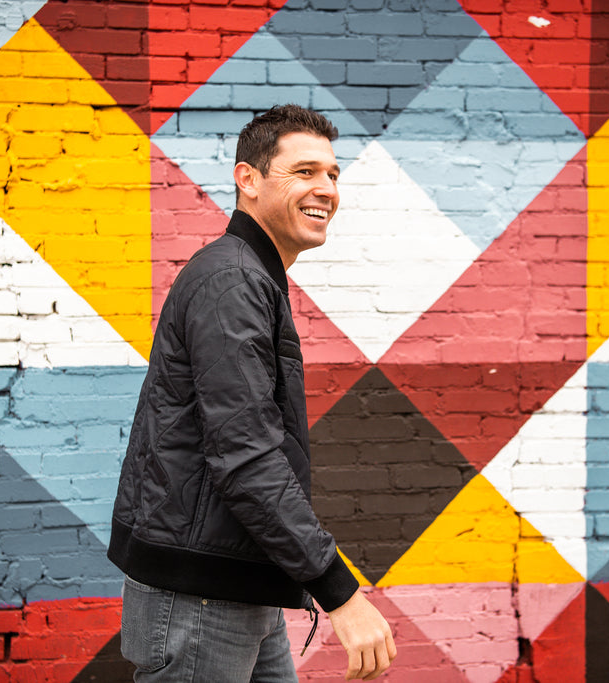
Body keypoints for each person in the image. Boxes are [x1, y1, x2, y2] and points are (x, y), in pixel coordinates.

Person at [108, 104, 397, 681]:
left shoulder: (252, 275)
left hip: (234, 578)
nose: (326, 189)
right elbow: (246, 456)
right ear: (249, 179)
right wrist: (338, 591)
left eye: (333, 175)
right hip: (198, 594)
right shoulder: (232, 280)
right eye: (305, 171)